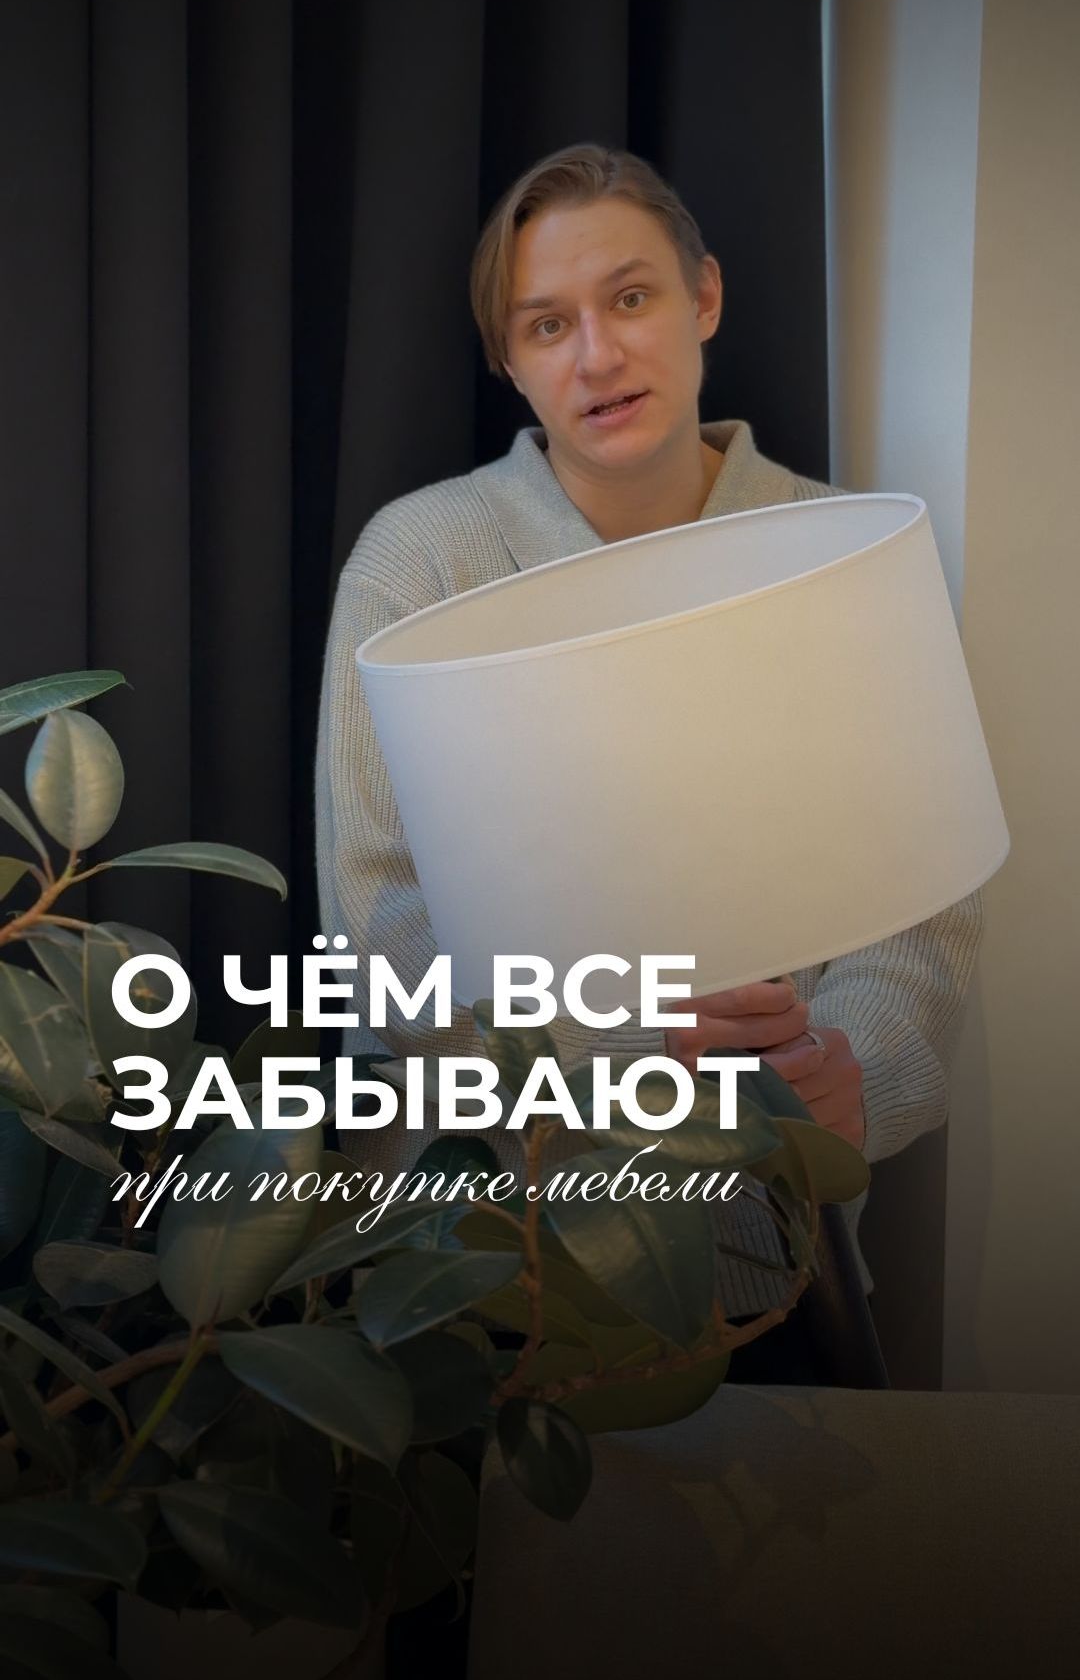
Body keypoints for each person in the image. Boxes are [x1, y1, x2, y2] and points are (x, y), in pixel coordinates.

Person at [315, 142, 983, 1330]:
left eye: (630, 298)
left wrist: (851, 1078)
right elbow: (382, 930)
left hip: (773, 1261)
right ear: (507, 359)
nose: (598, 355)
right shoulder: (418, 564)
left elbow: (926, 904)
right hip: (484, 1272)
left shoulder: (844, 555)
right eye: (547, 324)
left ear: (704, 296)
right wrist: (631, 1045)